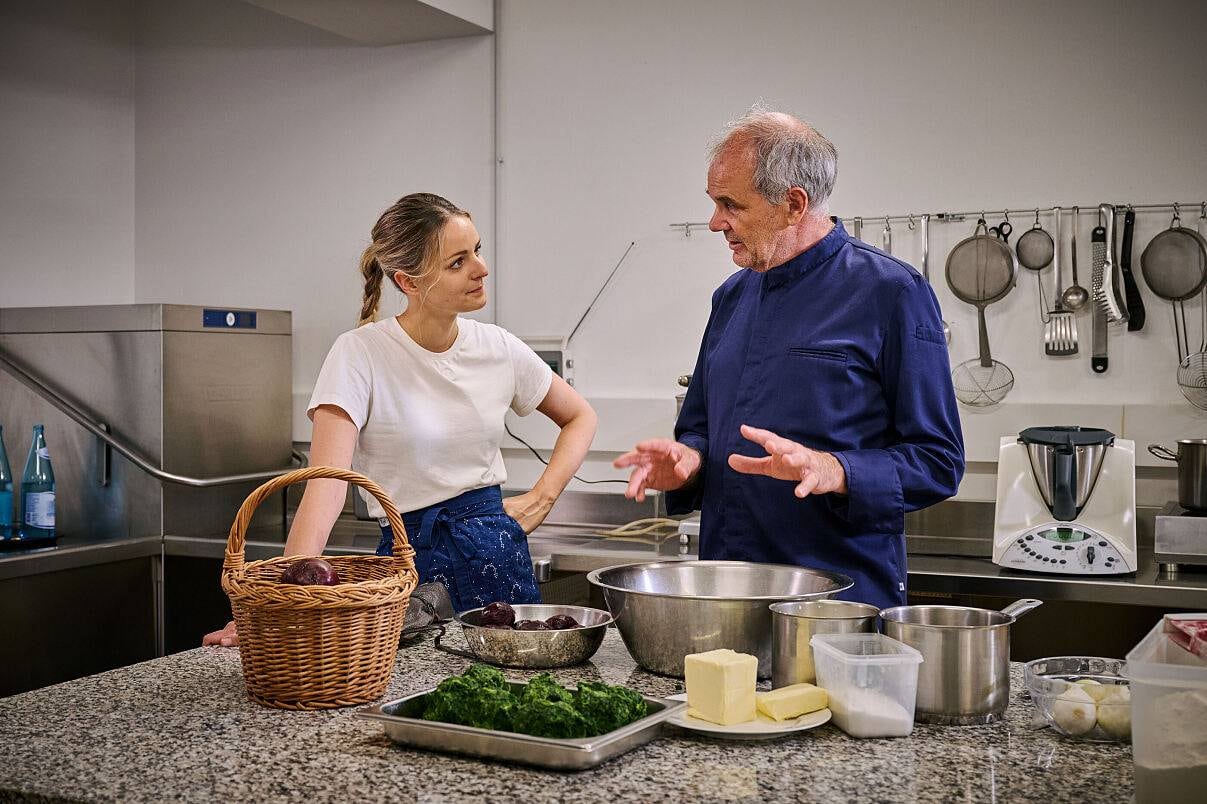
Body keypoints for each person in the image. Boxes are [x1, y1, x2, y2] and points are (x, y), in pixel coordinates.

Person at [204, 193, 596, 645]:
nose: (481, 269)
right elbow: (326, 486)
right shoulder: (359, 354)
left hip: (499, 558)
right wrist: (276, 609)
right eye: (457, 262)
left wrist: (542, 498)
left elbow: (580, 416)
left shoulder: (499, 347)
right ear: (409, 282)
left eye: (477, 250)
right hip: (410, 565)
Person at [614, 107, 964, 611]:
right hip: (727, 593)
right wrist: (689, 462)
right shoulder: (730, 298)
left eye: (731, 205)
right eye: (714, 203)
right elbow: (699, 430)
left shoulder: (892, 292)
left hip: (837, 603)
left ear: (794, 204)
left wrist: (834, 468)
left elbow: (938, 460)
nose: (715, 223)